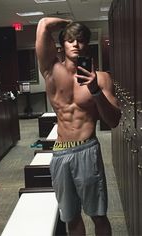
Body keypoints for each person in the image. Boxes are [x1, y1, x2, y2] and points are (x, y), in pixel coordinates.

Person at [36, 17, 121, 235]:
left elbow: (113, 121)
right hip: (60, 153)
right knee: (71, 216)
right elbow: (44, 24)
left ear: (87, 44)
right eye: (70, 40)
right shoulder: (51, 71)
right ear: (61, 45)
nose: (75, 44)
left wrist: (95, 90)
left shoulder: (101, 78)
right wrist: (66, 21)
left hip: (87, 149)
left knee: (98, 215)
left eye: (81, 40)